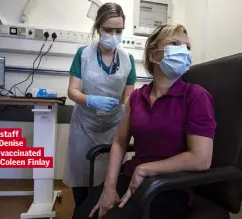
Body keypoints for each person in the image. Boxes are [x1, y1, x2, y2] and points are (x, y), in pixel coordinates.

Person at [72, 24, 217, 219]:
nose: (183, 51)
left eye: (187, 47)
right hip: (132, 177)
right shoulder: (137, 97)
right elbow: (119, 142)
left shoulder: (196, 95)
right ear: (153, 55)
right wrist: (110, 186)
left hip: (169, 187)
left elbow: (201, 159)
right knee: (83, 213)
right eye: (174, 43)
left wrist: (146, 169)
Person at [63, 2, 137, 214]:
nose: (113, 35)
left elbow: (129, 98)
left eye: (118, 31)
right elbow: (72, 91)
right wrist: (91, 100)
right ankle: (81, 210)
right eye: (108, 29)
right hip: (84, 126)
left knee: (108, 178)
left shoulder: (127, 60)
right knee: (82, 176)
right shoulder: (83, 55)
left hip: (113, 127)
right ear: (98, 28)